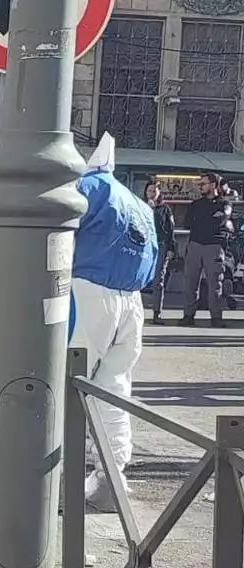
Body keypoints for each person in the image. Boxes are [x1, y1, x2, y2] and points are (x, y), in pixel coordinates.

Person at [71, 133, 159, 512]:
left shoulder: (86, 188)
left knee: (68, 386)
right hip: (131, 301)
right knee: (114, 390)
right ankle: (112, 480)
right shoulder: (140, 204)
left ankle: (60, 482)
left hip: (88, 290)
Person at [181, 172, 232, 328]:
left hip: (214, 246)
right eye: (200, 184)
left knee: (215, 283)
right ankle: (188, 316)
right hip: (195, 245)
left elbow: (221, 219)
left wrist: (205, 220)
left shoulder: (224, 203)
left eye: (203, 183)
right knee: (190, 282)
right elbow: (187, 223)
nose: (201, 186)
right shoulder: (196, 204)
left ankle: (216, 317)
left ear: (213, 185)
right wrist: (210, 219)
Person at [145, 181, 177, 325]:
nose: (151, 193)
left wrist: (171, 248)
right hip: (143, 245)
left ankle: (157, 312)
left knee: (159, 279)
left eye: (154, 190)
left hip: (160, 245)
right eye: (149, 190)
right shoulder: (140, 206)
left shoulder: (165, 209)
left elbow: (171, 230)